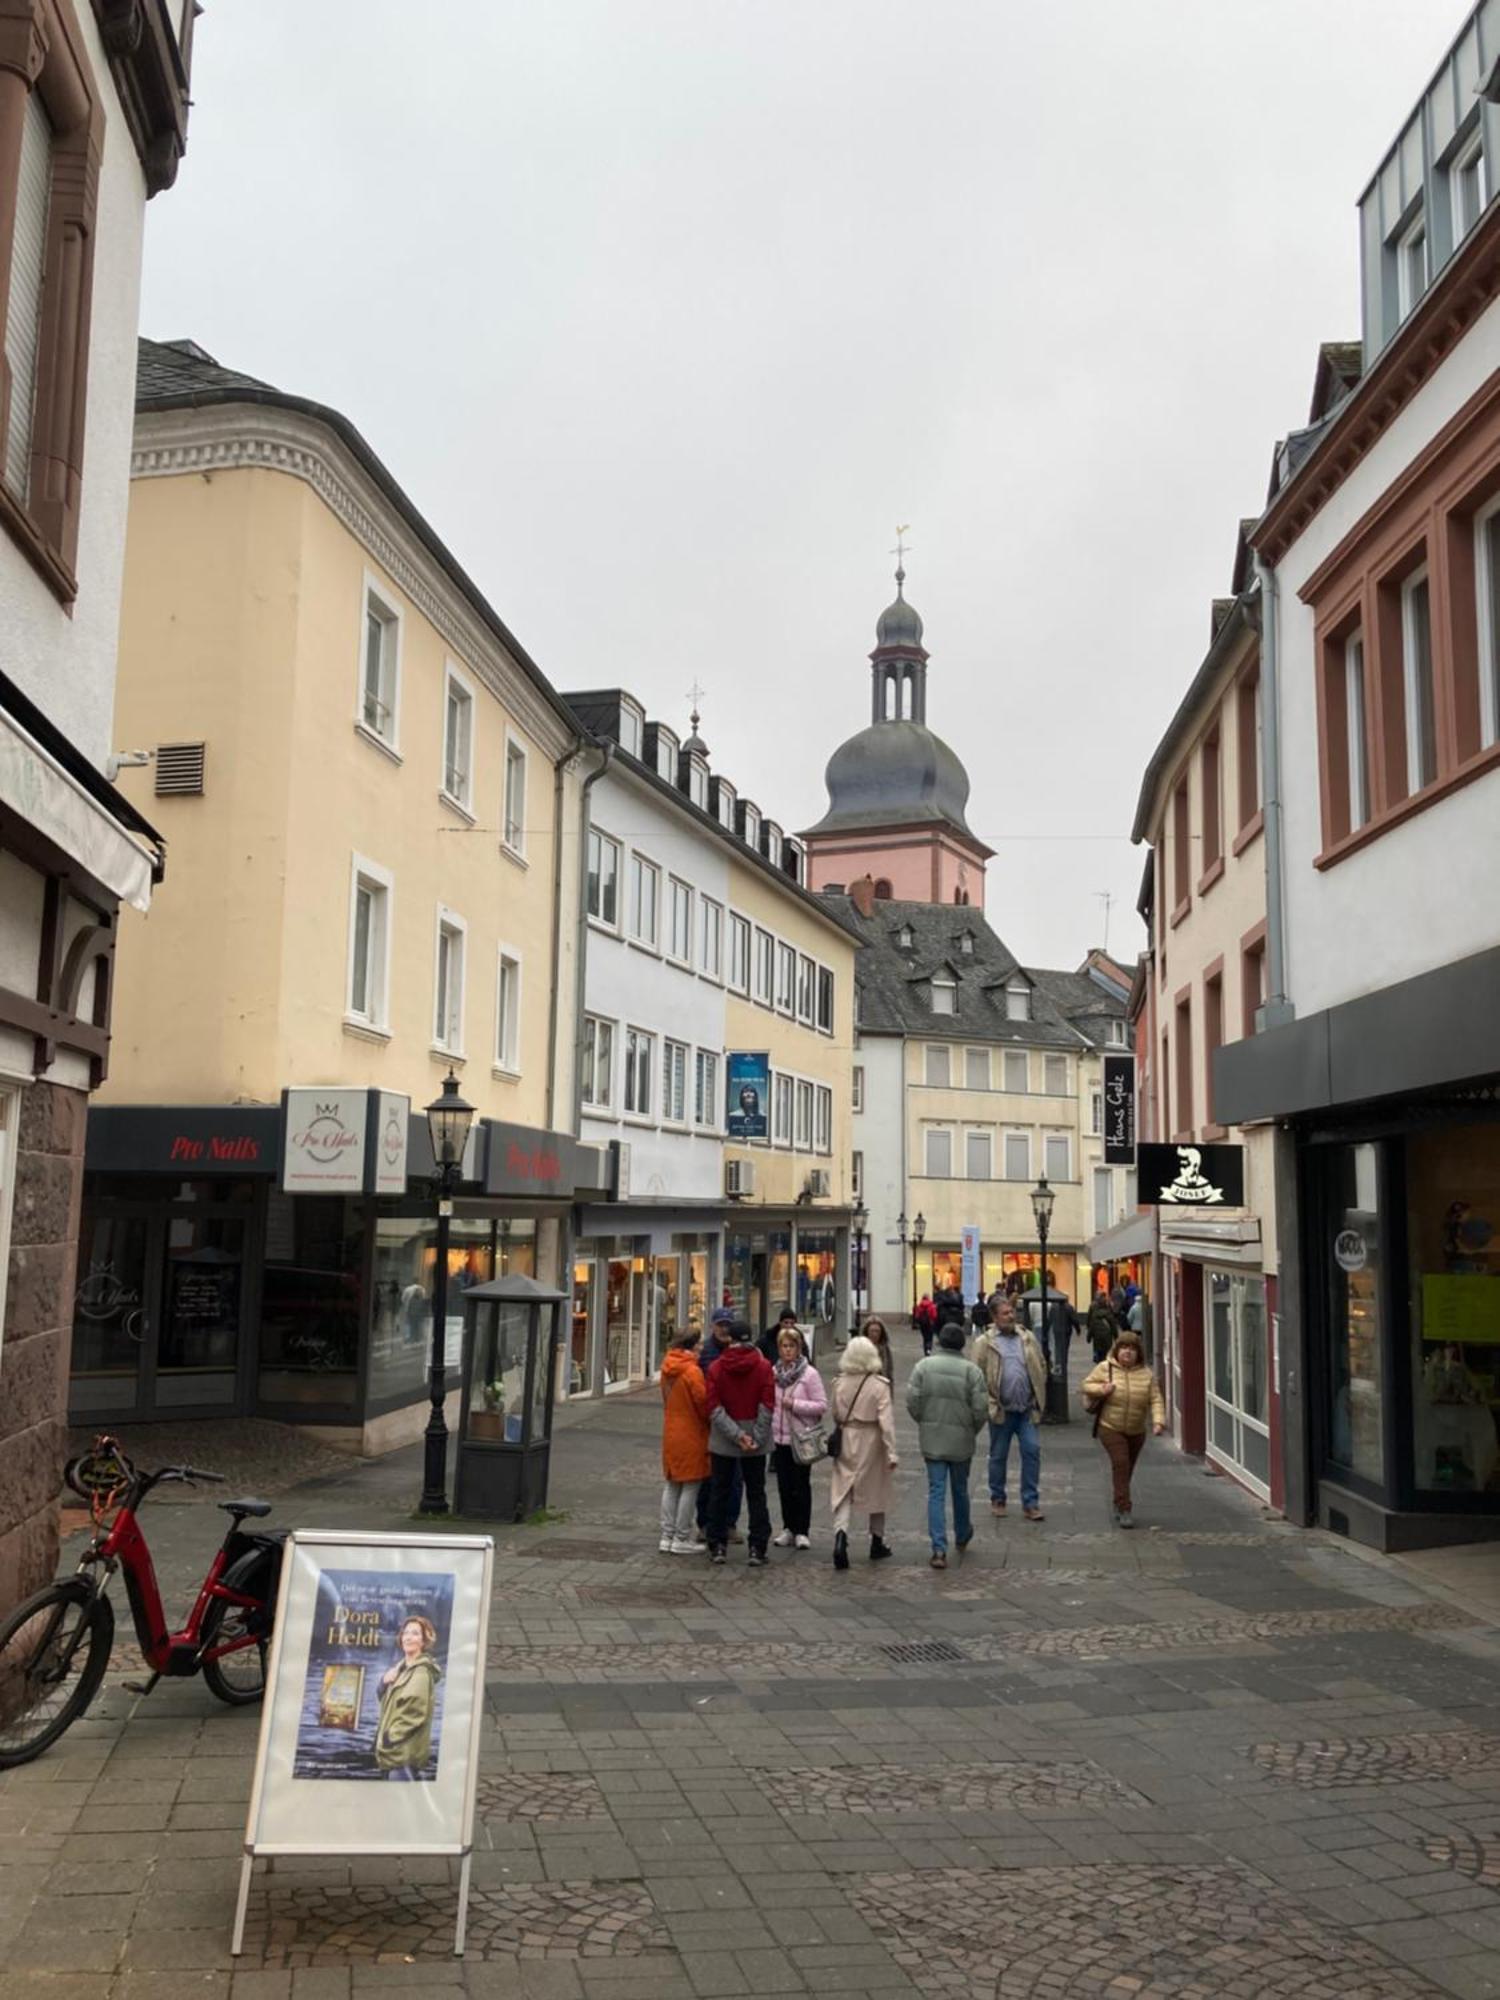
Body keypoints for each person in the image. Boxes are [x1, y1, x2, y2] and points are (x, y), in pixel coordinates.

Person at [907, 1321, 988, 1568]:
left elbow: (913, 1401)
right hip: (962, 1440)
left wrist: (925, 1421)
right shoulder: (971, 1371)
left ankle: (938, 1548)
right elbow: (980, 1409)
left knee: (936, 1492)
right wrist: (971, 1429)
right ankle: (962, 1534)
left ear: (940, 1341)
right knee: (960, 1489)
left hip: (933, 1438)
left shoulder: (923, 1367)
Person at [704, 1320, 774, 1565]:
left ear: (729, 1339)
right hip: (756, 1439)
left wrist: (736, 1435)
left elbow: (713, 1407)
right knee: (756, 1493)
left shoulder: (716, 1368)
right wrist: (754, 1436)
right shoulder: (765, 1367)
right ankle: (757, 1546)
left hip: (724, 1438)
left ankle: (717, 1545)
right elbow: (767, 1404)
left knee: (720, 1491)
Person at [974, 1295, 1048, 1522]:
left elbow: (1041, 1364)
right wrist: (989, 1403)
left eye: (1012, 1312)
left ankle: (1031, 1502)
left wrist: (1037, 1391)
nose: (1011, 1316)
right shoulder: (985, 1343)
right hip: (1001, 1410)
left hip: (1026, 1409)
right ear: (994, 1317)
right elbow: (976, 1375)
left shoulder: (1027, 1338)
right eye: (1005, 1313)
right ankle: (998, 1498)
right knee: (998, 1456)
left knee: (1032, 1451)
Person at [1081, 1332, 1165, 1529]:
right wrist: (1102, 1390)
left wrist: (1158, 1421)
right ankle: (1125, 1508)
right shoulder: (1105, 1368)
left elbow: (1156, 1399)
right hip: (1110, 1427)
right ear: (1117, 1350)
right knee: (1121, 1462)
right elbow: (1086, 1385)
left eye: (1133, 1349)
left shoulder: (1146, 1374)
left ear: (1139, 1353)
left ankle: (1118, 1500)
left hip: (1136, 1430)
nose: (1128, 1352)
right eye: (1124, 1348)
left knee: (1127, 1468)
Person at [828, 1334, 898, 1568]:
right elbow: (886, 1422)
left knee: (843, 1489)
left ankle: (840, 1535)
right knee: (877, 1489)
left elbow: (836, 1414)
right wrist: (892, 1452)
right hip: (872, 1439)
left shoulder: (839, 1383)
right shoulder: (879, 1385)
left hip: (847, 1436)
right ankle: (877, 1541)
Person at [770, 1325, 828, 1549]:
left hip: (802, 1437)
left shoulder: (809, 1374)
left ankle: (802, 1530)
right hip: (780, 1437)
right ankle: (788, 1528)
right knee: (784, 1486)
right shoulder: (775, 1373)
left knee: (800, 1484)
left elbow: (821, 1405)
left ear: (799, 1348)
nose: (787, 1351)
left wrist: (795, 1404)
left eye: (792, 1346)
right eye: (784, 1346)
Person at [659, 1328, 709, 1555]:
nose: (701, 1347)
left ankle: (666, 1535)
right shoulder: (692, 1371)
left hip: (671, 1430)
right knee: (690, 1484)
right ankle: (681, 1536)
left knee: (672, 1483)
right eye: (699, 1343)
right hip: (691, 1433)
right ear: (692, 1345)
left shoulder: (667, 1368)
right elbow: (703, 1404)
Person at [696, 1308, 743, 1543]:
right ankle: (705, 1523)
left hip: (736, 1420)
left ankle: (730, 1523)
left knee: (735, 1478)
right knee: (709, 1476)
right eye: (720, 1324)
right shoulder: (705, 1352)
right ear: (713, 1325)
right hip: (711, 1421)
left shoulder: (739, 1350)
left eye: (728, 1325)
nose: (724, 1329)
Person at [375, 1614, 442, 1779]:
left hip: (403, 1755)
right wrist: (383, 1682)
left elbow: (414, 1713)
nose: (408, 1637)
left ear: (424, 1641)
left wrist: (388, 1738)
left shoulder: (420, 1672)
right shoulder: (401, 1669)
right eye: (406, 1633)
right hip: (393, 1754)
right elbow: (385, 1700)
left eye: (415, 1633)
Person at [1086, 1289, 1118, 1364]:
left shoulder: (1094, 1313)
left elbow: (1091, 1324)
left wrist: (1089, 1337)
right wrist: (1116, 1337)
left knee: (1098, 1350)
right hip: (1107, 1336)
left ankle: (1098, 1361)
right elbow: (1113, 1325)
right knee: (1107, 1352)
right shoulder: (1108, 1313)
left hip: (1097, 1335)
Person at [862, 1315, 895, 1382]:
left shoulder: (885, 1349)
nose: (875, 1334)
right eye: (872, 1331)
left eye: (877, 1331)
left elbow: (889, 1371)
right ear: (867, 1332)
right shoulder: (860, 1348)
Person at [914, 1293, 938, 1357]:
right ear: (928, 1298)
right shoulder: (932, 1305)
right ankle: (928, 1350)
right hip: (930, 1324)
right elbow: (935, 1315)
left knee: (925, 1338)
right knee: (930, 1338)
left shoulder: (919, 1306)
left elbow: (917, 1316)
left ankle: (925, 1351)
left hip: (922, 1324)